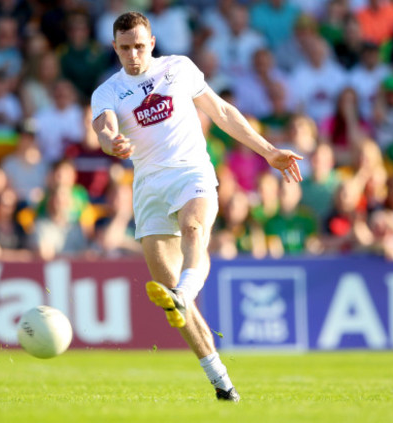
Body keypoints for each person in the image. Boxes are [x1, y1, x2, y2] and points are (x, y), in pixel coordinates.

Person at [91, 12, 303, 402]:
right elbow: (104, 128)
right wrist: (112, 143)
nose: (133, 55)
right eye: (125, 48)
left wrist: (269, 151)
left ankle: (185, 290)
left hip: (192, 172)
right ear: (115, 48)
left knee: (194, 233)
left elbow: (222, 113)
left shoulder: (179, 68)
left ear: (152, 42)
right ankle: (222, 381)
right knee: (171, 293)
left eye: (140, 46)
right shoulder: (107, 91)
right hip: (149, 187)